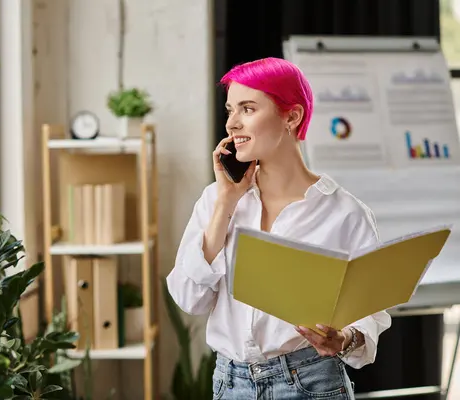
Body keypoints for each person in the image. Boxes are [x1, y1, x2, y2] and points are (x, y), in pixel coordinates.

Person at [166, 57, 392, 399]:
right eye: (230, 110)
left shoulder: (345, 213)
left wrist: (343, 339)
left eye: (247, 108)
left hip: (312, 383)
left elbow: (371, 315)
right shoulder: (216, 200)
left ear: (292, 116)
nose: (232, 124)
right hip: (231, 385)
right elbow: (189, 300)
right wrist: (225, 204)